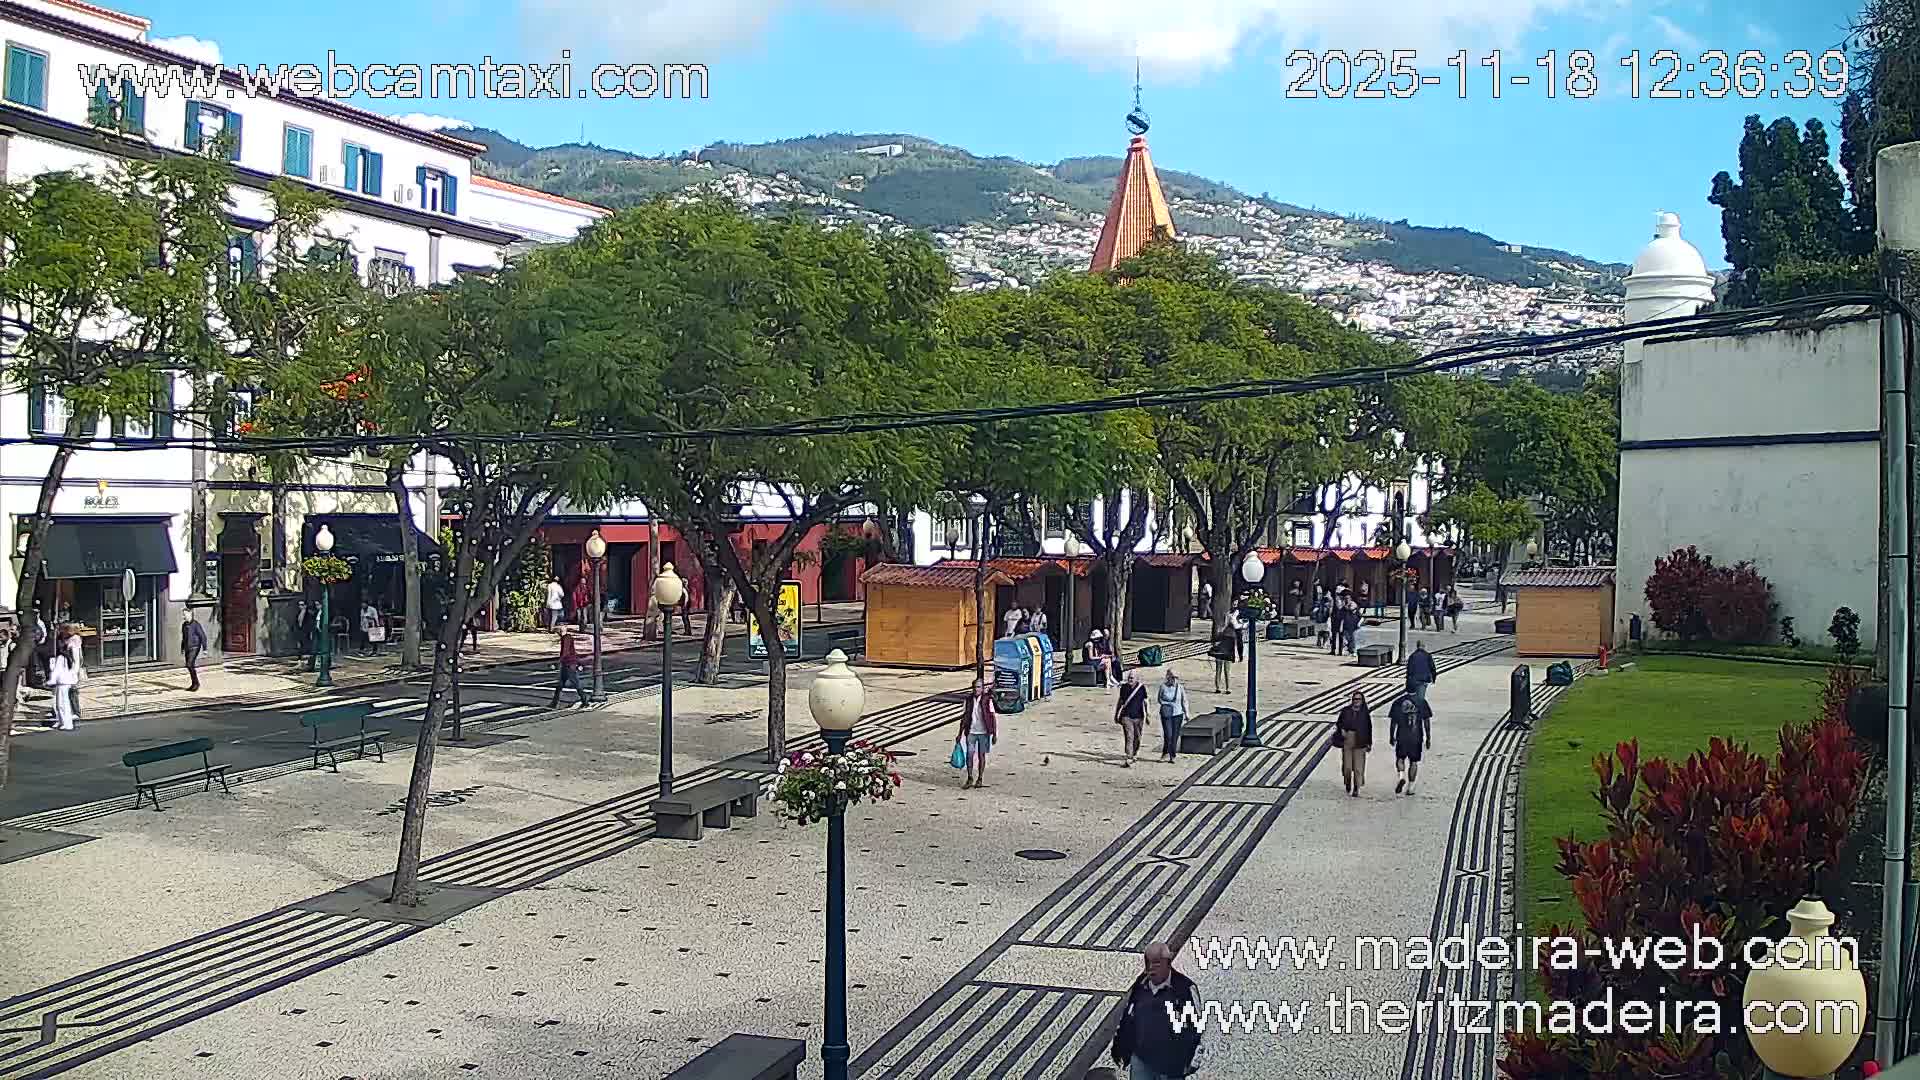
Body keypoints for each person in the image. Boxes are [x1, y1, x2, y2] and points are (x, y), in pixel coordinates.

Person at [1110, 942, 1204, 1080]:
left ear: (1168, 963)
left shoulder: (1184, 989)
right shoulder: (1141, 985)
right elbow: (1129, 1017)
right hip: (1142, 1059)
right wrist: (1120, 1047)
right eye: (1148, 963)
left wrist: (1190, 1060)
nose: (1150, 968)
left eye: (1156, 963)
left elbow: (1196, 1027)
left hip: (1172, 1064)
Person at [1389, 691, 1433, 795]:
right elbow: (1426, 721)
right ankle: (1411, 787)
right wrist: (1428, 737)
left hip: (1402, 737)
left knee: (1400, 759)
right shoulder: (1422, 702)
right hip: (1416, 737)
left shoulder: (1398, 702)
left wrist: (1392, 736)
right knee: (1414, 762)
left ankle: (1401, 777)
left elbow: (1393, 722)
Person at [959, 678, 997, 789]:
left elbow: (993, 716)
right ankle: (970, 777)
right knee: (969, 755)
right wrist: (960, 732)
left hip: (984, 732)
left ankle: (980, 778)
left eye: (979, 687)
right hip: (971, 731)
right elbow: (964, 716)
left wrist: (994, 733)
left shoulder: (987, 700)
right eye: (975, 687)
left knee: (981, 755)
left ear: (982, 688)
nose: (976, 689)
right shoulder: (968, 700)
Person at [1335, 689, 1372, 796]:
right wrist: (1342, 730)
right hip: (1348, 738)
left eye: (1359, 699)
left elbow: (1369, 728)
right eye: (1355, 699)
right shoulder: (1345, 711)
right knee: (1347, 766)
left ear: (1362, 701)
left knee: (1358, 767)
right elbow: (1339, 723)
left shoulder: (1365, 713)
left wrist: (1369, 743)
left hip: (1361, 740)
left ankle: (1356, 787)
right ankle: (1347, 782)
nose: (1356, 701)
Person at [548, 625, 590, 709]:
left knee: (575, 683)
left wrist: (557, 662)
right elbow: (571, 652)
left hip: (569, 665)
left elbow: (565, 652)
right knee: (560, 685)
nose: (558, 634)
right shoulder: (568, 637)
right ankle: (554, 703)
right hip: (567, 664)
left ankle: (585, 701)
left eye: (558, 632)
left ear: (561, 632)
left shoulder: (565, 638)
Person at [46, 627, 77, 730]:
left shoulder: (62, 657)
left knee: (63, 703)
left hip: (63, 681)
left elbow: (56, 671)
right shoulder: (64, 657)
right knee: (60, 703)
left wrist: (51, 681)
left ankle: (67, 723)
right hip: (63, 681)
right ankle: (62, 721)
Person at [1156, 670, 1190, 763]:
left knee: (1175, 736)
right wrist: (1167, 704)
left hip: (1178, 714)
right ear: (1168, 677)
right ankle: (1165, 752)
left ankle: (1172, 755)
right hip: (1166, 714)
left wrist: (1187, 713)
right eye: (1173, 677)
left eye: (1176, 678)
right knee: (1168, 734)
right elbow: (1159, 699)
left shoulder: (1180, 688)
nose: (1174, 680)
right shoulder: (1163, 687)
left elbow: (1184, 700)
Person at [1114, 672, 1147, 767]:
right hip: (1126, 716)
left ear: (1137, 679)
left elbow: (1145, 701)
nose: (1130, 680)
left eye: (1132, 678)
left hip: (1139, 717)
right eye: (1129, 678)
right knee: (1129, 736)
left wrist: (1148, 714)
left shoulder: (1141, 688)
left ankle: (1134, 753)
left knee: (1137, 737)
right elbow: (1120, 701)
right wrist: (1116, 714)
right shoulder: (1124, 688)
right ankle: (1129, 756)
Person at [1209, 620, 1238, 694]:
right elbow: (1233, 647)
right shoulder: (1232, 633)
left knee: (1218, 671)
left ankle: (1218, 687)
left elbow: (1214, 641)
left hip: (1219, 653)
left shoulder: (1219, 631)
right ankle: (1228, 688)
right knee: (1227, 671)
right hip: (1227, 654)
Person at [1406, 640, 1439, 705]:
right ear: (1424, 646)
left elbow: (1409, 670)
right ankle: (1419, 711)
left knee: (1413, 698)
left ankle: (1414, 711)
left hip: (1413, 680)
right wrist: (1433, 678)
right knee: (1420, 698)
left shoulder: (1412, 656)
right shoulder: (1428, 656)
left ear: (1417, 646)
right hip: (1423, 680)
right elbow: (1433, 668)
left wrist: (1408, 680)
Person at [181, 613, 207, 692]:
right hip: (187, 647)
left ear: (190, 615)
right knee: (189, 666)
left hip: (195, 647)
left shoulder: (196, 624)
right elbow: (184, 637)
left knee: (189, 664)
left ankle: (196, 684)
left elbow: (202, 636)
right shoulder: (184, 625)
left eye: (184, 615)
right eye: (183, 615)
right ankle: (194, 683)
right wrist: (182, 648)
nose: (183, 616)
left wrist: (205, 648)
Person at [297, 600, 317, 671]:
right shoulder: (298, 613)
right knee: (300, 647)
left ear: (305, 605)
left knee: (307, 647)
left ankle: (308, 664)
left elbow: (311, 624)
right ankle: (301, 662)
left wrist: (311, 632)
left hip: (307, 633)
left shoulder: (309, 614)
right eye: (299, 605)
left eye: (302, 605)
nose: (300, 606)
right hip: (300, 633)